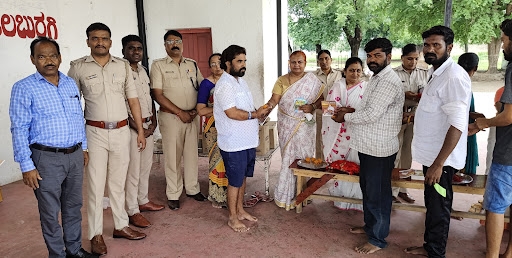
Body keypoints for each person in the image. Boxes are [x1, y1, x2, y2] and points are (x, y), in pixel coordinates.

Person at [9, 37, 96, 258]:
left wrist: (83, 147)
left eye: (53, 55)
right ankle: (57, 254)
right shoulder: (24, 87)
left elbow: (77, 118)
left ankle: (74, 250)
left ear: (59, 57)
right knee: (50, 212)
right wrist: (27, 166)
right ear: (32, 59)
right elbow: (19, 128)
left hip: (74, 155)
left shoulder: (68, 83)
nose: (49, 60)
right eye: (42, 56)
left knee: (73, 207)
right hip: (45, 158)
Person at [68, 22, 147, 255]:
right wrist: (79, 141)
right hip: (94, 133)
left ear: (111, 42)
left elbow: (133, 100)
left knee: (118, 183)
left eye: (104, 38)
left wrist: (140, 131)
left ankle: (121, 226)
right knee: (95, 185)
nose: (100, 42)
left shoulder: (122, 67)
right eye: (95, 38)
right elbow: (72, 106)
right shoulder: (78, 68)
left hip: (123, 131)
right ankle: (95, 234)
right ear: (88, 41)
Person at [404, 25, 471, 257]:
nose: (429, 49)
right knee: (432, 205)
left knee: (439, 207)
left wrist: (439, 163)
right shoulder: (436, 72)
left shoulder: (453, 77)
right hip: (432, 155)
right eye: (426, 45)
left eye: (436, 45)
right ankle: (429, 247)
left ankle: (436, 253)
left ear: (449, 47)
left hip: (440, 161)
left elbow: (457, 124)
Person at [332, 38, 404, 254]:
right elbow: (368, 109)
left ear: (389, 57)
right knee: (369, 190)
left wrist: (345, 117)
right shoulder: (376, 78)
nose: (372, 60)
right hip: (368, 145)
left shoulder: (389, 81)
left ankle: (378, 239)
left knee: (378, 194)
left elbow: (372, 114)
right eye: (370, 56)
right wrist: (350, 113)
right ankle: (370, 227)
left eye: (377, 55)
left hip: (379, 149)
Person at [212, 45, 268, 232]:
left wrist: (260, 114)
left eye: (245, 61)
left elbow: (247, 108)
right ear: (227, 63)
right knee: (234, 181)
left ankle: (241, 210)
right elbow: (232, 113)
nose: (244, 65)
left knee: (242, 178)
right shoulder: (224, 85)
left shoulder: (240, 82)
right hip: (233, 143)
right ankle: (232, 217)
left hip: (247, 141)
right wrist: (254, 114)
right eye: (239, 61)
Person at [150, 30, 206, 211]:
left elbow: (203, 87)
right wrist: (180, 112)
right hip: (171, 117)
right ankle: (173, 193)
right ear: (165, 45)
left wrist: (199, 109)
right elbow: (157, 94)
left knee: (192, 155)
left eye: (177, 41)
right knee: (173, 156)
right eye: (170, 41)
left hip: (192, 117)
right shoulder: (158, 66)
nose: (174, 44)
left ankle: (192, 188)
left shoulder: (192, 64)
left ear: (182, 44)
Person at [263, 50, 325, 210]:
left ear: (305, 63)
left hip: (305, 126)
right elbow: (273, 101)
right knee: (288, 159)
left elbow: (321, 100)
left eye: (300, 62)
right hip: (287, 125)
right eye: (293, 62)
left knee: (304, 158)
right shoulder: (281, 80)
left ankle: (303, 193)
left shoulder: (312, 80)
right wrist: (262, 112)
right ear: (289, 63)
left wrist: (312, 106)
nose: (296, 65)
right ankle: (286, 195)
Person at [472, 19, 512, 258]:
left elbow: (508, 116)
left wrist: (483, 122)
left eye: (505, 40)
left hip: (508, 152)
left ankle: (492, 256)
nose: (504, 44)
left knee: (495, 206)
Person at [121, 34, 164, 229]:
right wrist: (139, 128)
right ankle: (132, 210)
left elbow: (149, 99)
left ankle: (143, 200)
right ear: (123, 51)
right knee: (133, 170)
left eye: (139, 48)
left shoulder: (143, 70)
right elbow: (123, 105)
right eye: (131, 48)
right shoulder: (120, 71)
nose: (136, 52)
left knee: (146, 167)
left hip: (147, 126)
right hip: (132, 129)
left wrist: (153, 123)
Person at [322, 57, 366, 212]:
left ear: (362, 72)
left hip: (356, 134)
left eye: (358, 71)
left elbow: (366, 111)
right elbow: (328, 108)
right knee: (338, 163)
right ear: (345, 71)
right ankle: (339, 198)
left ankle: (355, 200)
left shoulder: (365, 88)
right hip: (337, 133)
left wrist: (347, 110)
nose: (355, 74)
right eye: (351, 70)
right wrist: (345, 110)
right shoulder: (337, 85)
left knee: (355, 164)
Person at [392, 44, 428, 204]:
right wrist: (403, 94)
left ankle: (403, 189)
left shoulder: (424, 74)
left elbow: (428, 96)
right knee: (395, 152)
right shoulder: (393, 73)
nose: (412, 62)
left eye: (415, 59)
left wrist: (418, 99)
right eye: (409, 59)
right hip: (396, 117)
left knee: (408, 153)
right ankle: (391, 191)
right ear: (402, 58)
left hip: (415, 117)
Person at [196, 53, 227, 208]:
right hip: (213, 127)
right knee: (217, 161)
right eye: (213, 64)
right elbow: (201, 110)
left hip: (230, 126)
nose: (217, 67)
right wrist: (221, 108)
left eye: (219, 63)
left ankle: (232, 194)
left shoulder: (231, 81)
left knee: (231, 160)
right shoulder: (206, 84)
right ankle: (217, 195)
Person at [315, 50, 344, 158]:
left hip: (335, 112)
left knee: (333, 138)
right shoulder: (313, 76)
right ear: (318, 62)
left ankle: (331, 163)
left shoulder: (340, 74)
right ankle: (319, 165)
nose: (324, 61)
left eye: (326, 58)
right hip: (319, 111)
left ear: (331, 60)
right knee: (319, 139)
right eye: (321, 59)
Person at [457, 52, 480, 175]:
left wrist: (475, 115)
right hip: (463, 128)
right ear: (475, 68)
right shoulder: (463, 82)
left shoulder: (457, 80)